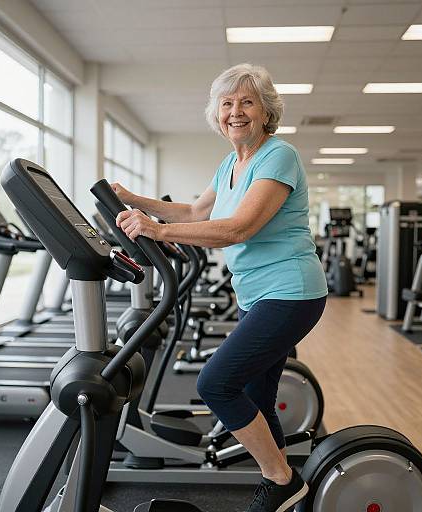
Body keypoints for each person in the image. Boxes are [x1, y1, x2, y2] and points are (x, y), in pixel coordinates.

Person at [112, 63, 328, 512]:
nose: (236, 111)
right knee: (254, 394)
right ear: (217, 114)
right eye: (227, 103)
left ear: (266, 111)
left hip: (291, 292)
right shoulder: (232, 161)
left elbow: (238, 229)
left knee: (216, 383)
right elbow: (193, 213)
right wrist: (134, 201)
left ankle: (280, 479)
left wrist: (156, 231)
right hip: (257, 295)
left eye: (247, 102)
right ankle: (285, 487)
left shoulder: (278, 155)